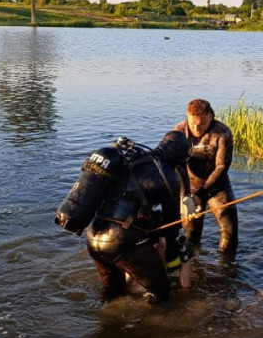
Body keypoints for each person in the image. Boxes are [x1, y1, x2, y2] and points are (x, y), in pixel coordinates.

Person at [54, 131, 194, 304]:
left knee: (113, 294)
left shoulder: (131, 160)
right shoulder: (167, 175)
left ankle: (108, 325)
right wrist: (175, 258)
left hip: (94, 236)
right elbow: (171, 225)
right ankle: (150, 328)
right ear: (179, 157)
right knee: (161, 292)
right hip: (122, 242)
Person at [174, 98, 238, 257]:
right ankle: (194, 268)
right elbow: (174, 166)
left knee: (229, 232)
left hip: (217, 186)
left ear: (211, 116)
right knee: (190, 234)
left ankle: (227, 267)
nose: (196, 128)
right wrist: (185, 197)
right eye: (192, 123)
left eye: (201, 124)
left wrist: (200, 195)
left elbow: (222, 167)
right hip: (189, 187)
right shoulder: (178, 132)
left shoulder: (223, 133)